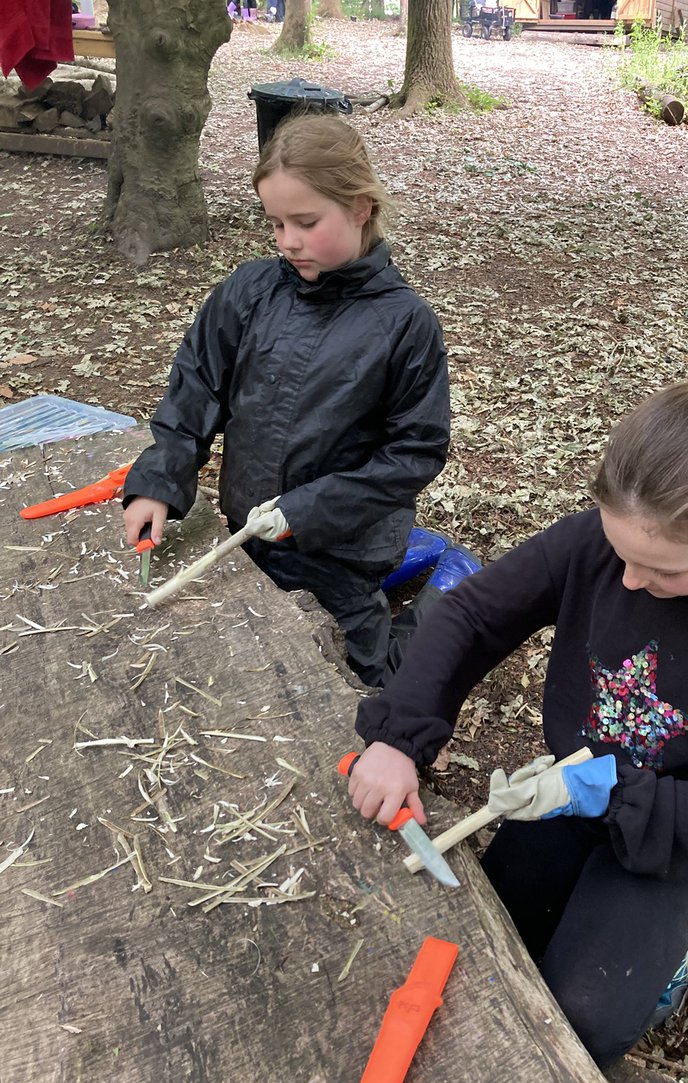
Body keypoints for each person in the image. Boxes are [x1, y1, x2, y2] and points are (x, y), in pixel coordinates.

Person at [344, 379, 688, 1068]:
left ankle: (664, 972)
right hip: (568, 800)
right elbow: (471, 614)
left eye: (662, 571)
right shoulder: (598, 546)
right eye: (623, 553)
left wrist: (609, 792)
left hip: (675, 833)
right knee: (491, 944)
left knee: (583, 1020)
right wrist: (400, 737)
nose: (631, 581)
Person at [123, 113, 452, 687]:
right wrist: (158, 479)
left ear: (360, 208)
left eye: (305, 221)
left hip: (341, 553)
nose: (287, 241)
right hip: (246, 533)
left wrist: (306, 511)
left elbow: (415, 452)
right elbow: (196, 387)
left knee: (365, 687)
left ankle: (445, 611)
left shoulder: (405, 324)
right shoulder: (250, 291)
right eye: (274, 223)